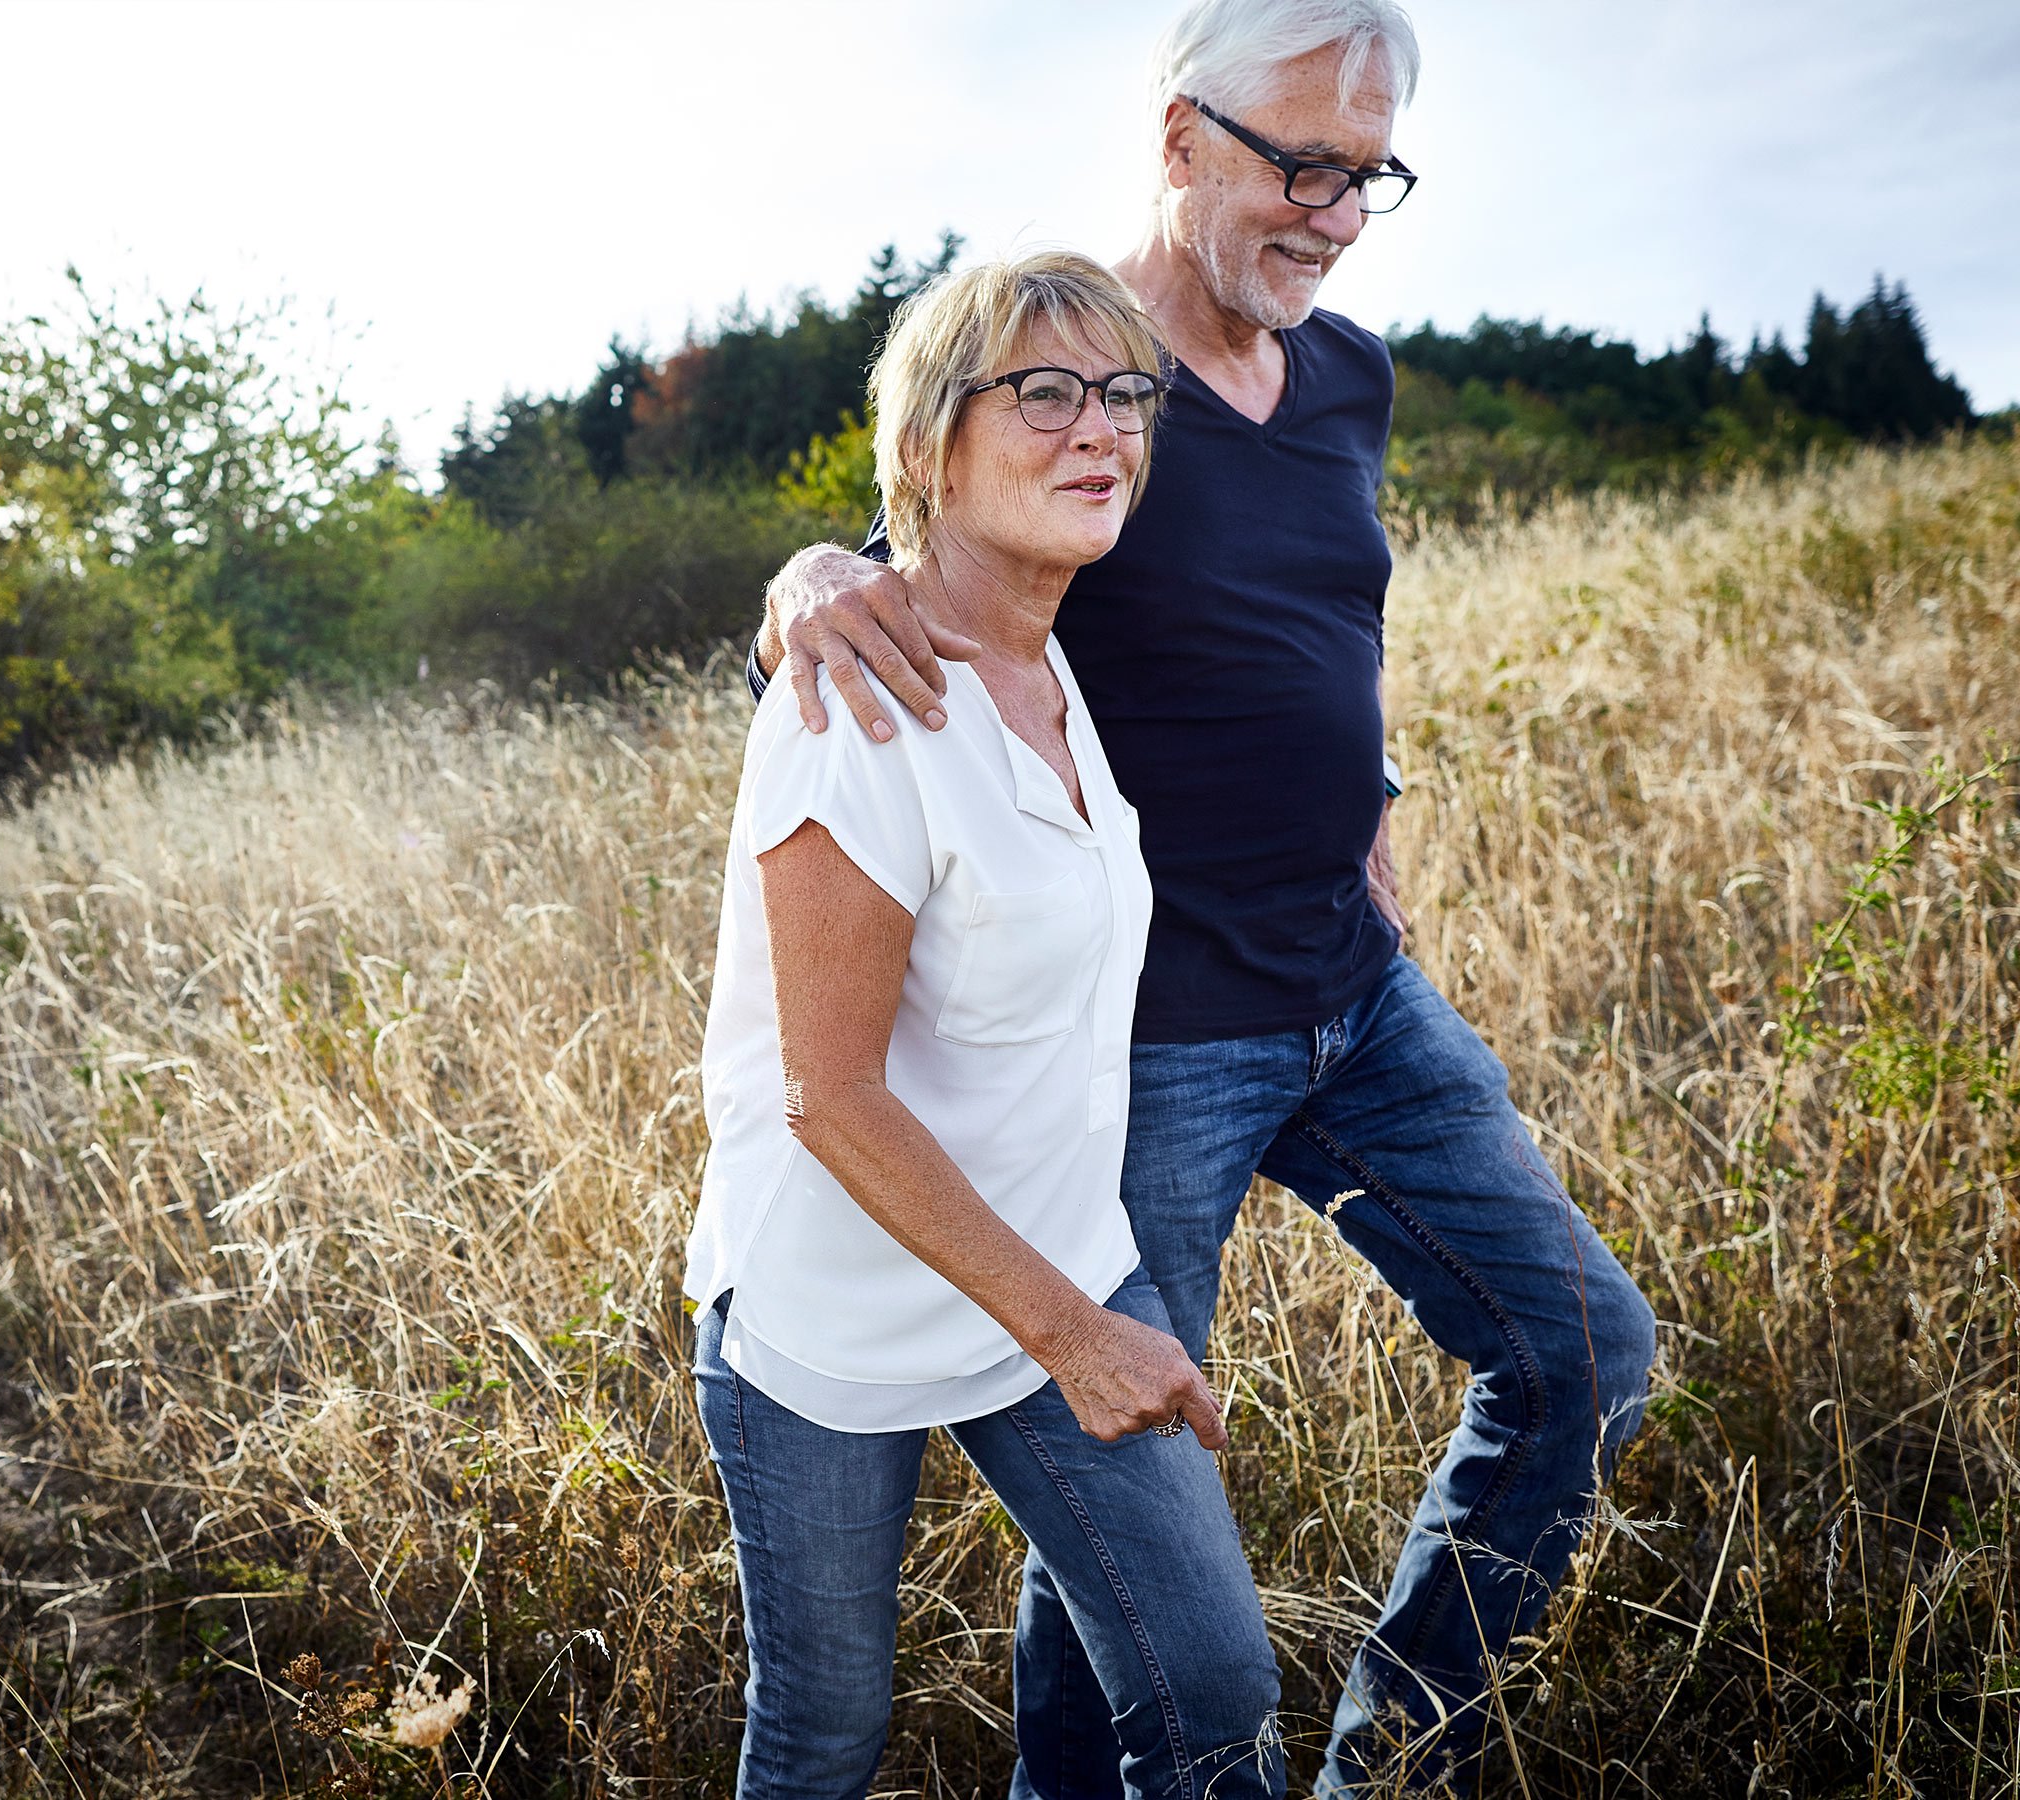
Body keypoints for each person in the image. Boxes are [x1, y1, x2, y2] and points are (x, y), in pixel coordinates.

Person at [748, 2, 1658, 1793]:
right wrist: (796, 585)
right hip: (1154, 1045)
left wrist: (1370, 788)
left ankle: (1395, 1761)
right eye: (1300, 163)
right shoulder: (1072, 365)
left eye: (1370, 172)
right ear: (1180, 142)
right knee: (1134, 1505)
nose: (1333, 210)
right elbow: (901, 576)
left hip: (1360, 993)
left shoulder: (1349, 378)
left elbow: (1334, 616)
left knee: (1585, 1353)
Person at [689, 250, 1284, 1799]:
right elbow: (830, 1096)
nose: (1102, 431)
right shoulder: (852, 707)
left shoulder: (1054, 651)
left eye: (1126, 395)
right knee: (825, 1735)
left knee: (1215, 1690)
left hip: (1054, 1254)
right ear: (929, 443)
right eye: (1044, 392)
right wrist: (1079, 1336)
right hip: (832, 1315)